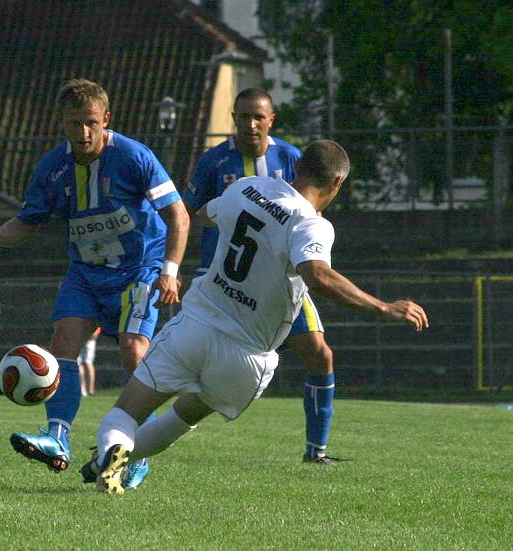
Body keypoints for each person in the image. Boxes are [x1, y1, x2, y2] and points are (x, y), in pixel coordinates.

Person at [83, 140, 429, 494]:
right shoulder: (312, 224)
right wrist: (383, 307)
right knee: (183, 417)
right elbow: (318, 275)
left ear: (296, 169)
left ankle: (111, 451)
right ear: (337, 184)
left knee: (126, 413)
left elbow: (204, 214)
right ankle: (106, 462)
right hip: (246, 358)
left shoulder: (246, 187)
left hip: (196, 327)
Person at [0, 78, 189, 485]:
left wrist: (170, 271)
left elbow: (178, 215)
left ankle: (138, 450)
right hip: (86, 274)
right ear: (63, 123)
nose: (84, 132)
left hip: (138, 270)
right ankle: (57, 439)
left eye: (91, 122)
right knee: (63, 345)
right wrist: (0, 235)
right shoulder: (52, 167)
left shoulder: (134, 157)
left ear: (106, 119)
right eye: (75, 124)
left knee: (133, 351)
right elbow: (29, 221)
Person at [184, 88, 339, 464]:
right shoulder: (213, 162)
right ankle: (145, 434)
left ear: (272, 120)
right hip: (227, 279)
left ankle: (315, 452)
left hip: (281, 281)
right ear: (233, 118)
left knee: (320, 355)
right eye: (243, 116)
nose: (250, 124)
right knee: (191, 362)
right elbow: (186, 215)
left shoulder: (290, 157)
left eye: (258, 117)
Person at [78, 327, 101, 396]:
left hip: (90, 339)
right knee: (78, 363)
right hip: (79, 339)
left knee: (88, 363)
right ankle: (82, 389)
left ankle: (90, 390)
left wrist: (94, 334)